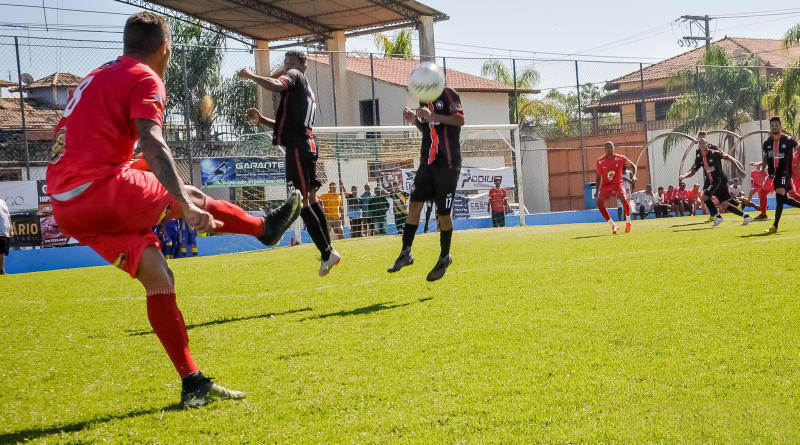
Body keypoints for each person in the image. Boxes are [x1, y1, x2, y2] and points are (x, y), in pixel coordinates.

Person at [46, 13, 302, 409]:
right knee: (191, 196)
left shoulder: (98, 73)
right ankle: (262, 228)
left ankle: (193, 384)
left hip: (66, 203)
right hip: (97, 189)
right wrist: (180, 201)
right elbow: (151, 138)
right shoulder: (145, 77)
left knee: (157, 274)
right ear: (165, 48)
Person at [240, 50, 340, 276]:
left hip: (298, 148)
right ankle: (329, 249)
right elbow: (290, 123)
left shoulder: (294, 76)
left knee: (301, 202)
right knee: (312, 199)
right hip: (308, 145)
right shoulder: (305, 89)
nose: (287, 66)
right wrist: (261, 120)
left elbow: (277, 85)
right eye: (285, 63)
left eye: (292, 63)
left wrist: (252, 75)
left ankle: (326, 253)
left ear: (303, 66)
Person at [387, 85, 466, 281]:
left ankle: (445, 256)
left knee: (443, 214)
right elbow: (429, 130)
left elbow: (459, 120)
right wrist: (415, 120)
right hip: (427, 162)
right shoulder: (423, 101)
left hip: (447, 163)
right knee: (414, 205)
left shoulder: (448, 93)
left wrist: (433, 116)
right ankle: (406, 252)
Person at [679, 138, 753, 226]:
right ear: (698, 145)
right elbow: (693, 171)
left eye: (704, 142)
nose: (702, 144)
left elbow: (729, 158)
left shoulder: (714, 153)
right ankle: (746, 216)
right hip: (714, 182)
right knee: (725, 204)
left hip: (719, 180)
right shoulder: (699, 158)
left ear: (707, 144)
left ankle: (718, 217)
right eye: (700, 143)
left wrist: (739, 169)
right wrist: (684, 176)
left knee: (705, 197)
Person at [761, 116, 800, 233]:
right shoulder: (767, 143)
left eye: (776, 125)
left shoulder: (788, 140)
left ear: (780, 127)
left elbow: (799, 146)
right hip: (775, 174)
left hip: (785, 173)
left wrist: (798, 163)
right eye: (772, 125)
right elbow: (765, 155)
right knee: (784, 200)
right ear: (770, 127)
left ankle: (775, 226)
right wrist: (763, 168)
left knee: (778, 198)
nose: (774, 127)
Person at [594, 141, 637, 234]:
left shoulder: (620, 158)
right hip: (606, 185)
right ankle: (613, 225)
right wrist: (597, 191)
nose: (609, 149)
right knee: (599, 204)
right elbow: (598, 178)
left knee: (624, 199)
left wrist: (634, 176)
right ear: (605, 150)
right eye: (607, 148)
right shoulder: (600, 161)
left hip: (618, 183)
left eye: (611, 147)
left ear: (614, 149)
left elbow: (633, 166)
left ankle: (628, 221)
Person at [0, 198, 11, 274]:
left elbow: (9, 217)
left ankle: (1, 270)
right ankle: (1, 270)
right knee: (1, 252)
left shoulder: (3, 202)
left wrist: (11, 230)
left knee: (3, 252)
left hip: (5, 232)